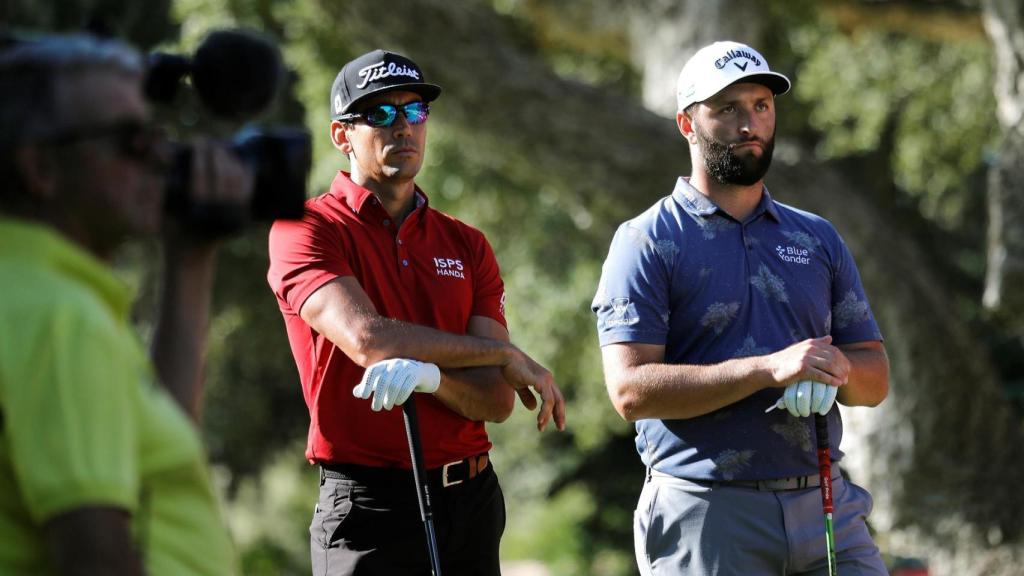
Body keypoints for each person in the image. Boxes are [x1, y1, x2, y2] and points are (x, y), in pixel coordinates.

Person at [592, 40, 890, 575]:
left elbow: (875, 378)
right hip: (707, 512)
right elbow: (631, 391)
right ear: (687, 124)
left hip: (825, 502)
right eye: (727, 108)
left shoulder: (816, 237)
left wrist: (836, 368)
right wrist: (768, 369)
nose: (749, 123)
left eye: (761, 105)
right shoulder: (646, 239)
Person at [267, 48, 566, 576]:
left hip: (471, 500)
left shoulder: (467, 244)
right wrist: (501, 353)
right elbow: (368, 340)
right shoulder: (306, 228)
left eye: (414, 111)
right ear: (341, 135)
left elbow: (495, 400)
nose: (403, 126)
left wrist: (433, 379)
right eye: (380, 113)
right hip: (368, 508)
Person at [0, 34, 250, 575]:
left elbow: (152, 452)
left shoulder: (29, 293)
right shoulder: (62, 318)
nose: (161, 156)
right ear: (41, 168)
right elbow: (95, 557)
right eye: (131, 140)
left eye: (156, 134)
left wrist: (190, 260)